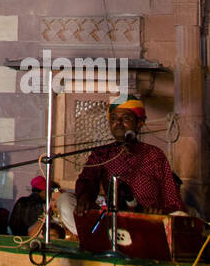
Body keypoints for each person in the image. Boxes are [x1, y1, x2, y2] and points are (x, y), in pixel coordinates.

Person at [59, 100, 184, 235]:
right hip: (113, 221)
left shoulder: (154, 154)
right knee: (65, 200)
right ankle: (94, 239)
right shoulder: (102, 153)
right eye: (113, 119)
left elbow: (171, 197)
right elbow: (87, 179)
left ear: (139, 123)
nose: (117, 123)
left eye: (125, 118)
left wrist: (160, 212)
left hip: (148, 221)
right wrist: (85, 198)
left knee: (181, 215)